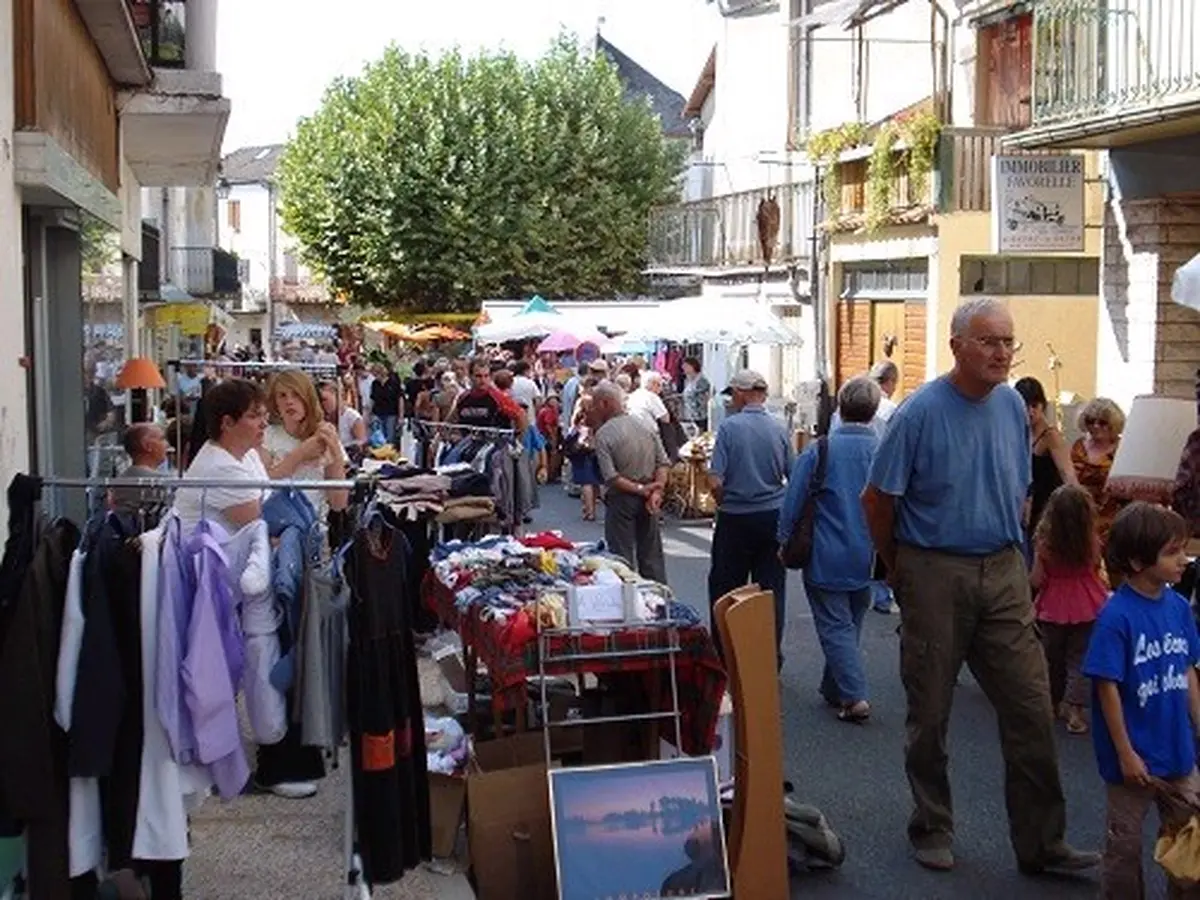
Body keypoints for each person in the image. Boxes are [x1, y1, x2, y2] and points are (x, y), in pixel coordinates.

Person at [862, 297, 1097, 875]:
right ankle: (932, 825)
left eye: (1008, 342)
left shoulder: (1013, 409)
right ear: (957, 347)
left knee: (1030, 705)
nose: (1001, 353)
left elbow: (1018, 490)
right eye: (989, 341)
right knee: (931, 710)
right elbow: (877, 499)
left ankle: (1043, 843)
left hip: (1003, 569)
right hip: (933, 568)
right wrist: (898, 567)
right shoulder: (918, 413)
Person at [1082, 502, 1200, 899]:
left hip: (1179, 754)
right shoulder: (1116, 616)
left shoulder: (1180, 608)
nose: (1184, 559)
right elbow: (1107, 686)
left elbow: (1186, 669)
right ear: (1136, 560)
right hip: (1132, 762)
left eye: (1182, 549)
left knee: (1188, 839)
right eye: (1172, 552)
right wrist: (1125, 753)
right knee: (1124, 849)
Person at [778, 376, 880, 719]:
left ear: (840, 407)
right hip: (869, 553)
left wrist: (784, 539)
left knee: (836, 625)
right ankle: (834, 688)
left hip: (826, 549)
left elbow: (794, 498)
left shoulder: (821, 449)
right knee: (850, 619)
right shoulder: (883, 450)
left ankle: (853, 696)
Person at [707, 369, 793, 668]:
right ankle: (770, 657)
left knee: (726, 586)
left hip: (736, 516)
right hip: (772, 514)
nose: (731, 400)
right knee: (770, 590)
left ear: (742, 393)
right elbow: (791, 476)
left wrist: (722, 503)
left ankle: (726, 654)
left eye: (733, 394)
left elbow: (716, 481)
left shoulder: (730, 428)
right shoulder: (780, 428)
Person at [1031, 484, 1108, 736]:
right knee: (1080, 659)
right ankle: (1076, 712)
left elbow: (1036, 579)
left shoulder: (1044, 543)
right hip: (1088, 604)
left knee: (1052, 659)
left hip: (1053, 606)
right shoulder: (1091, 541)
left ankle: (1052, 704)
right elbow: (1096, 569)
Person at [591, 382, 670, 584]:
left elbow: (611, 476)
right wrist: (656, 491)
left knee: (621, 557)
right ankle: (659, 599)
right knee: (651, 554)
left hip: (623, 498)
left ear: (605, 403)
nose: (592, 409)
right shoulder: (645, 426)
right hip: (648, 494)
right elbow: (663, 463)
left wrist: (643, 490)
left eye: (595, 404)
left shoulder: (604, 434)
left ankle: (629, 602)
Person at [172, 379, 269, 535]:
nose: (264, 424)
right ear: (227, 423)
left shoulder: (248, 453)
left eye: (265, 416)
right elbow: (265, 523)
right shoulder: (220, 467)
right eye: (254, 416)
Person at [261, 370, 349, 518]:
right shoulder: (266, 436)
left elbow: (338, 503)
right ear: (275, 403)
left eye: (296, 394)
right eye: (282, 395)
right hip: (277, 528)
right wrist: (301, 454)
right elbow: (262, 485)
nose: (289, 401)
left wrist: (334, 451)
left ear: (307, 398)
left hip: (314, 527)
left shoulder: (324, 434)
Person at [1014, 376, 1079, 549]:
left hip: (1047, 508)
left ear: (1043, 405)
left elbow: (1068, 473)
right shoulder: (1018, 434)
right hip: (1025, 506)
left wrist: (1076, 508)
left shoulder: (1051, 436)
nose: (1030, 412)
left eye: (1035, 406)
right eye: (1025, 406)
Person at [1071, 397, 1127, 547]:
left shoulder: (1123, 449)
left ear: (1113, 424)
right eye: (1090, 421)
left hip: (1112, 522)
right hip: (1080, 518)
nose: (1095, 426)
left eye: (1102, 422)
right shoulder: (1078, 447)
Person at [109, 423, 170, 523]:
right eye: (162, 439)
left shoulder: (119, 482)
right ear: (147, 446)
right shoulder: (162, 483)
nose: (167, 444)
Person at [451, 356, 526, 432]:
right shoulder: (463, 398)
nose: (483, 380)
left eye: (486, 376)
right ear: (470, 376)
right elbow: (451, 421)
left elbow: (520, 415)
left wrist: (516, 438)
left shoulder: (498, 397)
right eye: (478, 376)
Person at [830, 360, 898, 437]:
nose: (894, 389)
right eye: (895, 383)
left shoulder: (843, 407)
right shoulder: (891, 409)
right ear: (890, 382)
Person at [320, 381, 366, 450]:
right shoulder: (320, 418)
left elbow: (362, 441)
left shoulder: (352, 416)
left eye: (324, 400)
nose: (322, 404)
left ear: (337, 396)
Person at [370, 362, 403, 444]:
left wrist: (401, 416)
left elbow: (400, 399)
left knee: (390, 438)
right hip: (378, 412)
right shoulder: (375, 384)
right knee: (378, 438)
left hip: (391, 413)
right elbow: (373, 399)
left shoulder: (393, 383)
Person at [680, 357, 712, 433]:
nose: (683, 368)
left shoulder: (701, 379)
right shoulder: (687, 379)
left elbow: (709, 392)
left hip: (699, 414)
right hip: (690, 414)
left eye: (686, 366)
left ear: (692, 366)